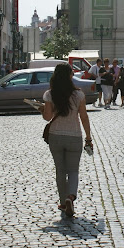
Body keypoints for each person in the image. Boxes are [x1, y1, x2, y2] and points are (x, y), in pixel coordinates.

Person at [41, 63, 92, 217]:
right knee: (73, 170)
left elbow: (47, 117)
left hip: (56, 136)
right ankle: (71, 196)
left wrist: (42, 110)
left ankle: (63, 202)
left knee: (60, 171)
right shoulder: (79, 95)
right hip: (74, 136)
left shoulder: (50, 94)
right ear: (71, 76)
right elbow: (83, 117)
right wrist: (88, 136)